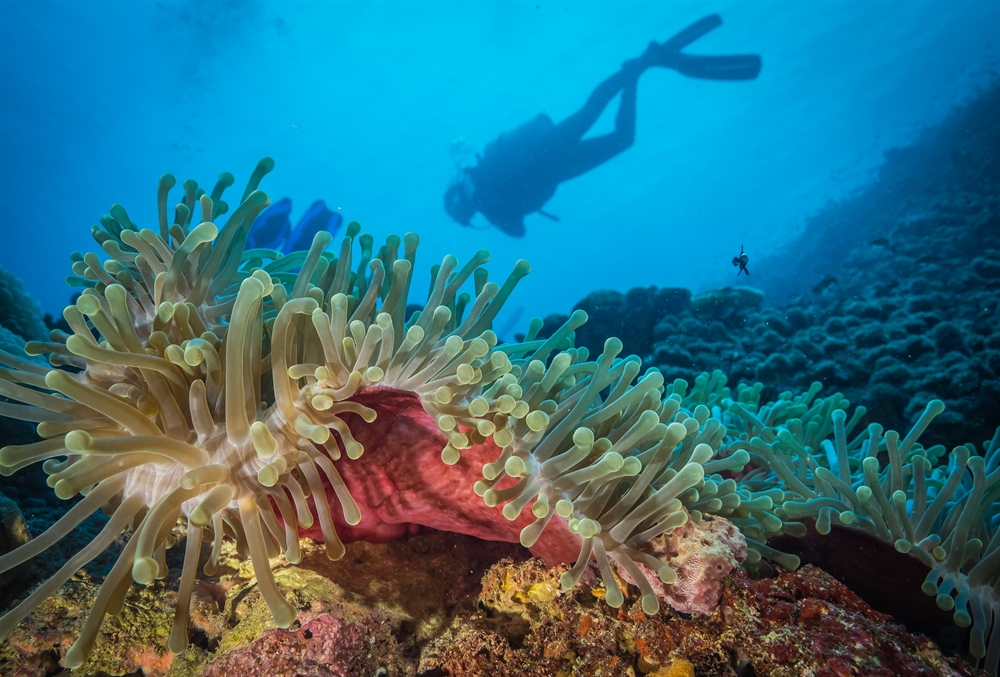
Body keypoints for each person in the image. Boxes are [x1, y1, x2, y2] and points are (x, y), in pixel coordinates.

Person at [444, 14, 761, 237]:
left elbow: (518, 232)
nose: (467, 219)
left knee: (599, 120)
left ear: (462, 208)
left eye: (463, 218)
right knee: (604, 122)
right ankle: (636, 69)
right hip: (550, 164)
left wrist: (492, 213)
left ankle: (638, 67)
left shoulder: (489, 205)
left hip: (543, 160)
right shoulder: (482, 189)